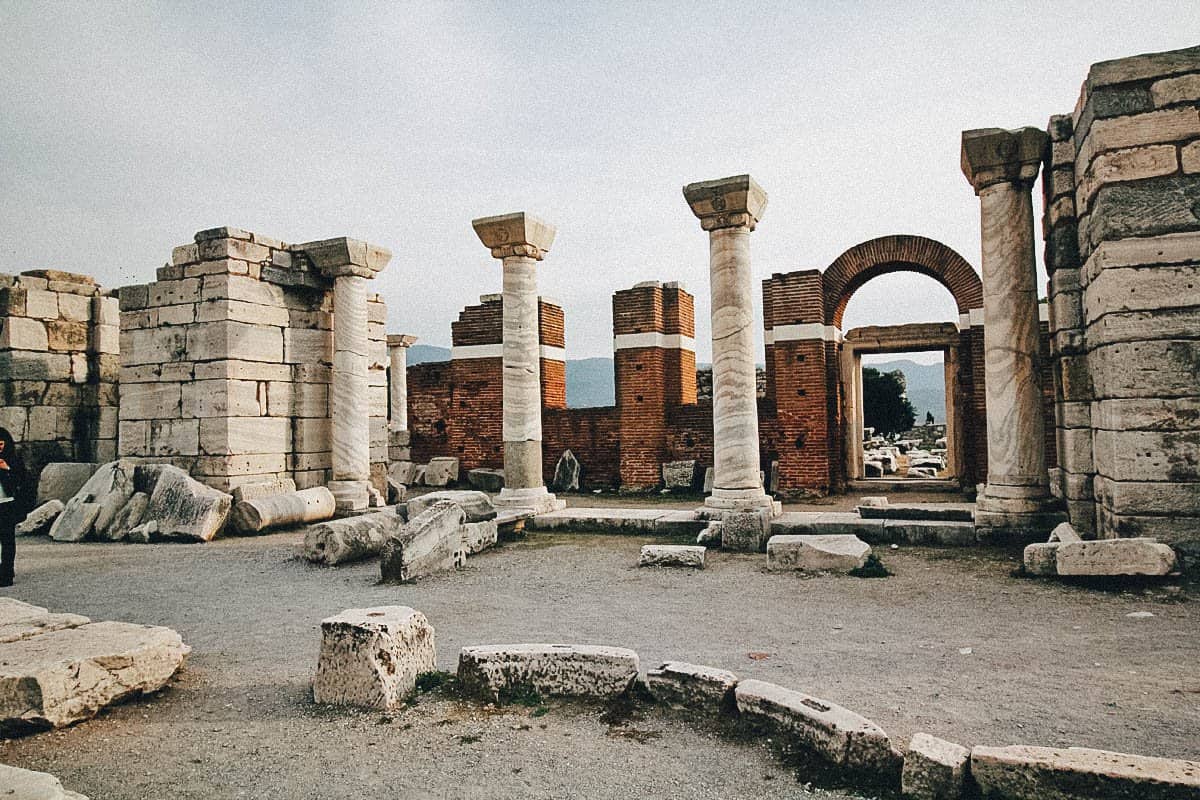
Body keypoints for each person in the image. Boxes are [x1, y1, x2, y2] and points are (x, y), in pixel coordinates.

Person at [0, 427, 31, 587]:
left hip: (7, 505)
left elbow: (21, 483)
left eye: (1, 444)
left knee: (7, 541)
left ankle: (6, 574)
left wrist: (7, 469)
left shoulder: (13, 460)